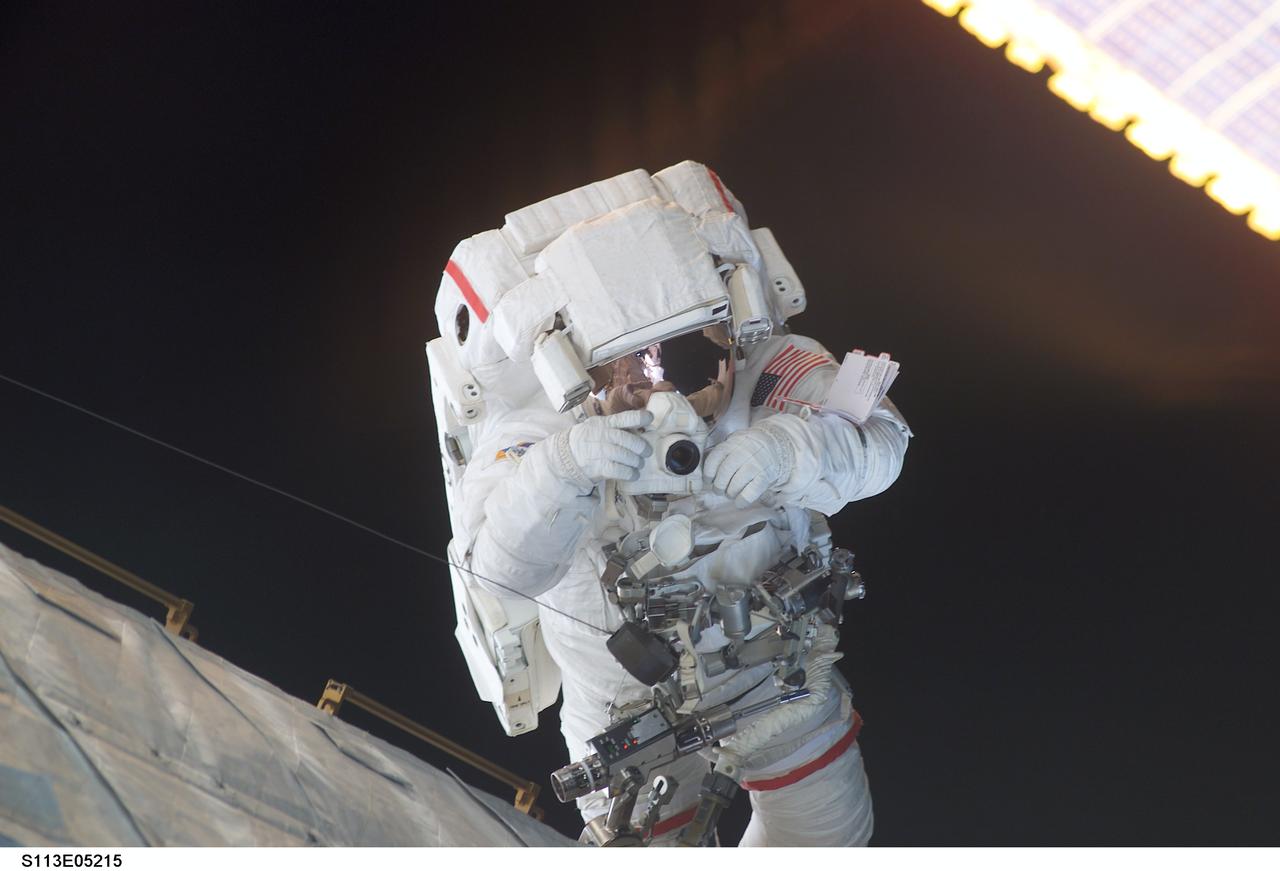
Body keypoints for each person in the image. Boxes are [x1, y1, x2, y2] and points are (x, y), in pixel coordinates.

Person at [429, 161, 911, 846]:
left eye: (675, 352)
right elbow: (499, 570)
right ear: (585, 360)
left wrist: (787, 450)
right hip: (626, 713)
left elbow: (881, 442)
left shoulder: (774, 369)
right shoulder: (538, 436)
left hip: (775, 679)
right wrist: (563, 470)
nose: (656, 381)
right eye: (632, 360)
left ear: (722, 325)